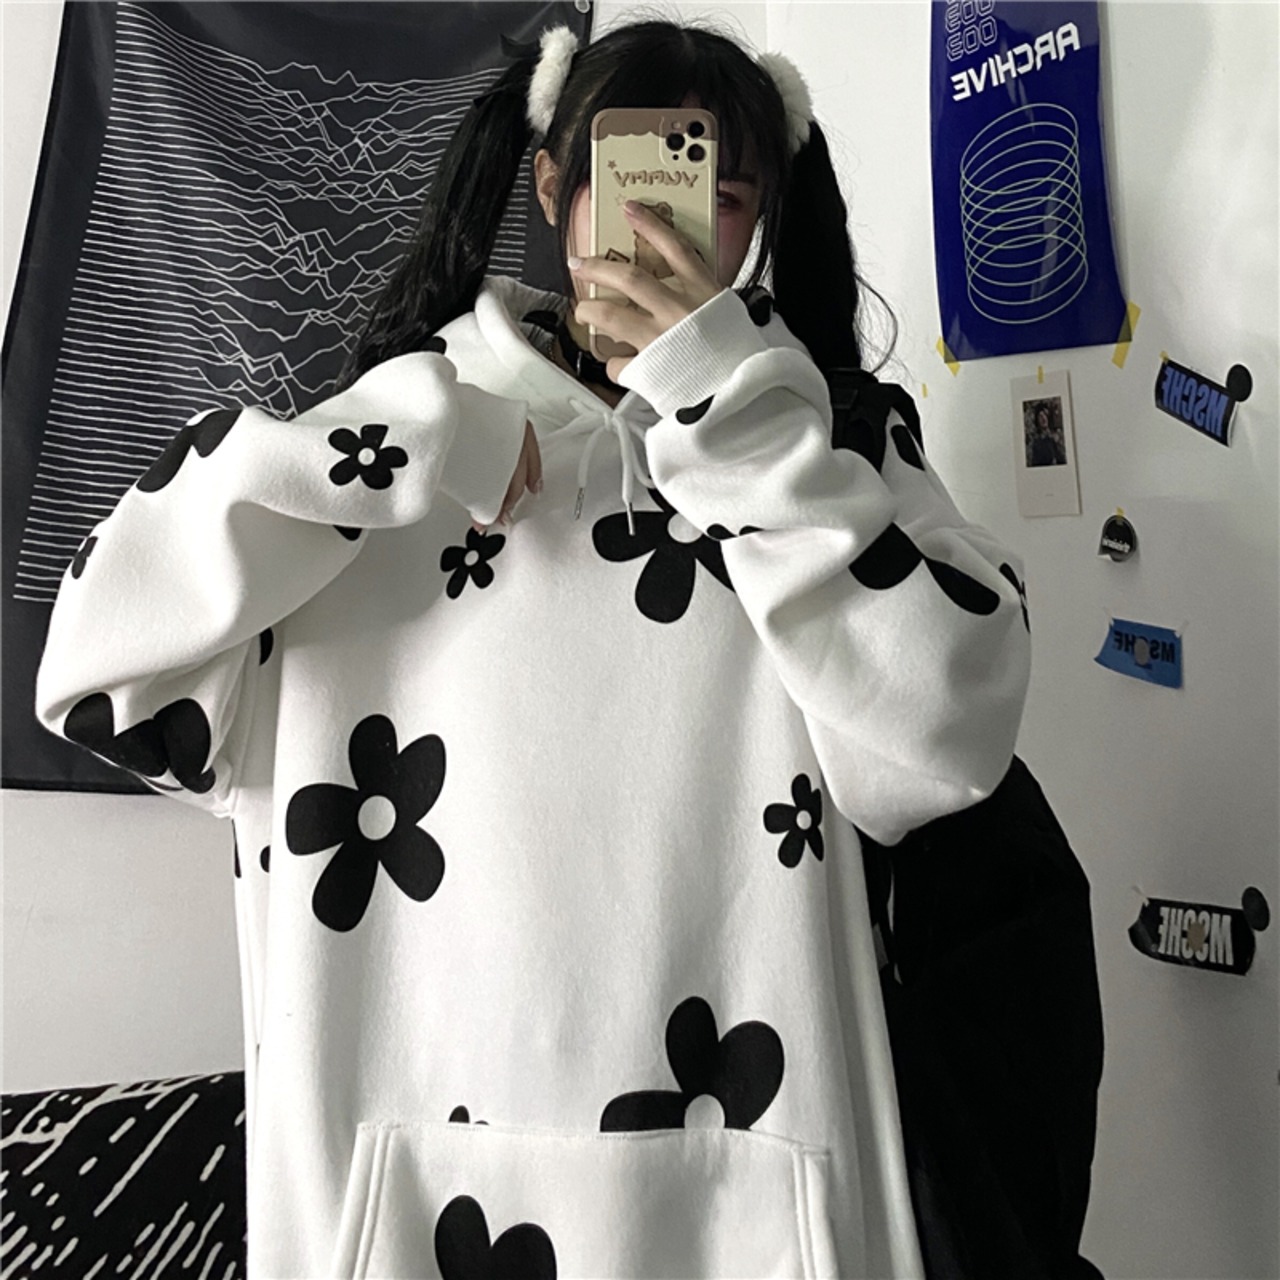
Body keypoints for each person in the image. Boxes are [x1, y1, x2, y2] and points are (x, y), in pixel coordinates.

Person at [34, 18, 1033, 1279]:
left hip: (769, 1209)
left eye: (718, 194)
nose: (670, 228)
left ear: (761, 221)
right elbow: (97, 668)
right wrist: (406, 437)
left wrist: (736, 430)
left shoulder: (830, 449)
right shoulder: (387, 447)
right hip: (406, 1216)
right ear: (554, 185)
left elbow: (949, 735)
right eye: (633, 175)